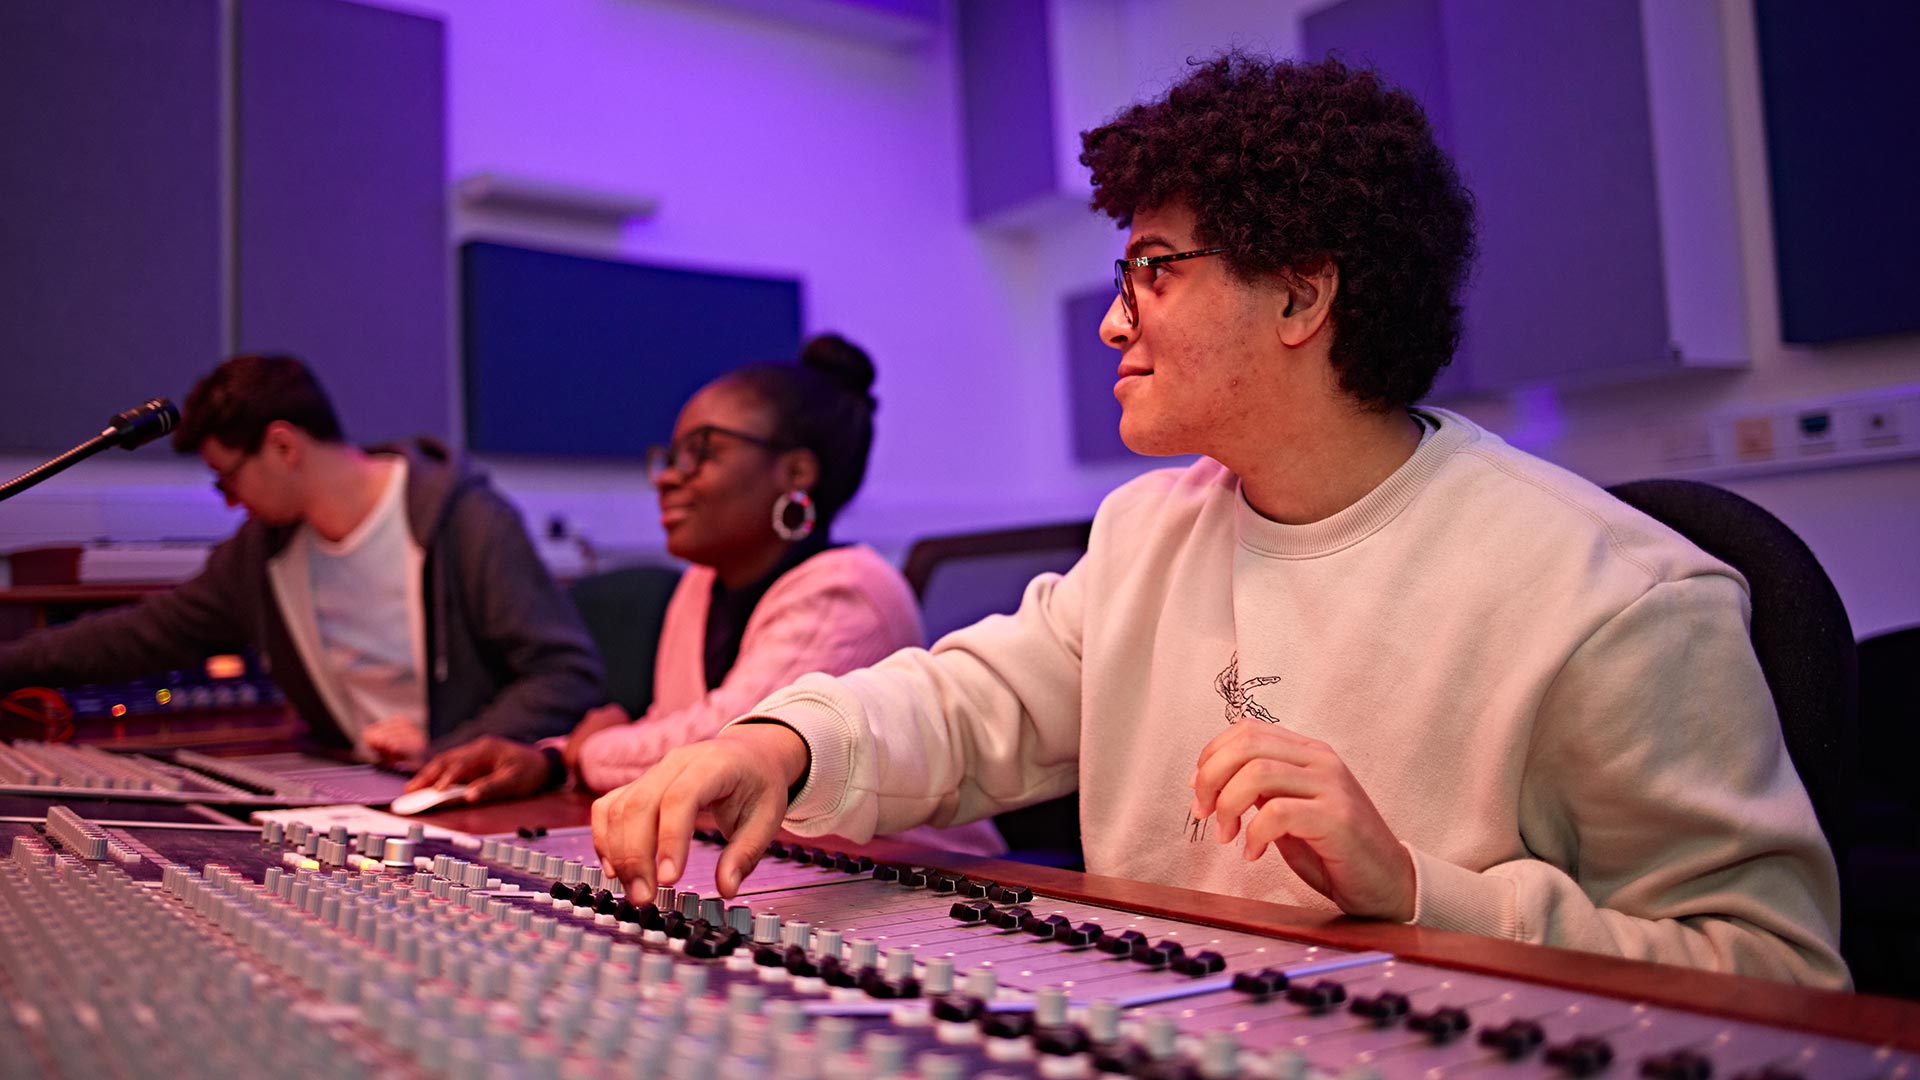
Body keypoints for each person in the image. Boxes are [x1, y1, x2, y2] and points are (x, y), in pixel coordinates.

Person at [589, 55, 1848, 987]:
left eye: (1152, 268)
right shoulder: (1151, 531)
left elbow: (1777, 973)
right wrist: (776, 747)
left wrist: (1423, 892)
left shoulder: (1615, 594)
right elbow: (975, 702)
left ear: (1301, 295)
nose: (1111, 320)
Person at [406, 337, 1005, 854]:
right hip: (786, 869)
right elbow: (672, 729)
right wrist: (548, 757)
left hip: (922, 881)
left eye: (702, 452)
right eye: (671, 456)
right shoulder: (701, 585)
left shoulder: (849, 590)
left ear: (796, 473)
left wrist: (586, 754)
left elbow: (725, 743)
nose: (668, 476)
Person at [0, 354, 604, 765]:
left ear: (283, 445)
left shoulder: (468, 522)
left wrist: (450, 748)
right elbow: (137, 637)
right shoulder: (262, 556)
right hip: (358, 804)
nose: (230, 502)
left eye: (228, 480)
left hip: (468, 808)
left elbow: (564, 675)